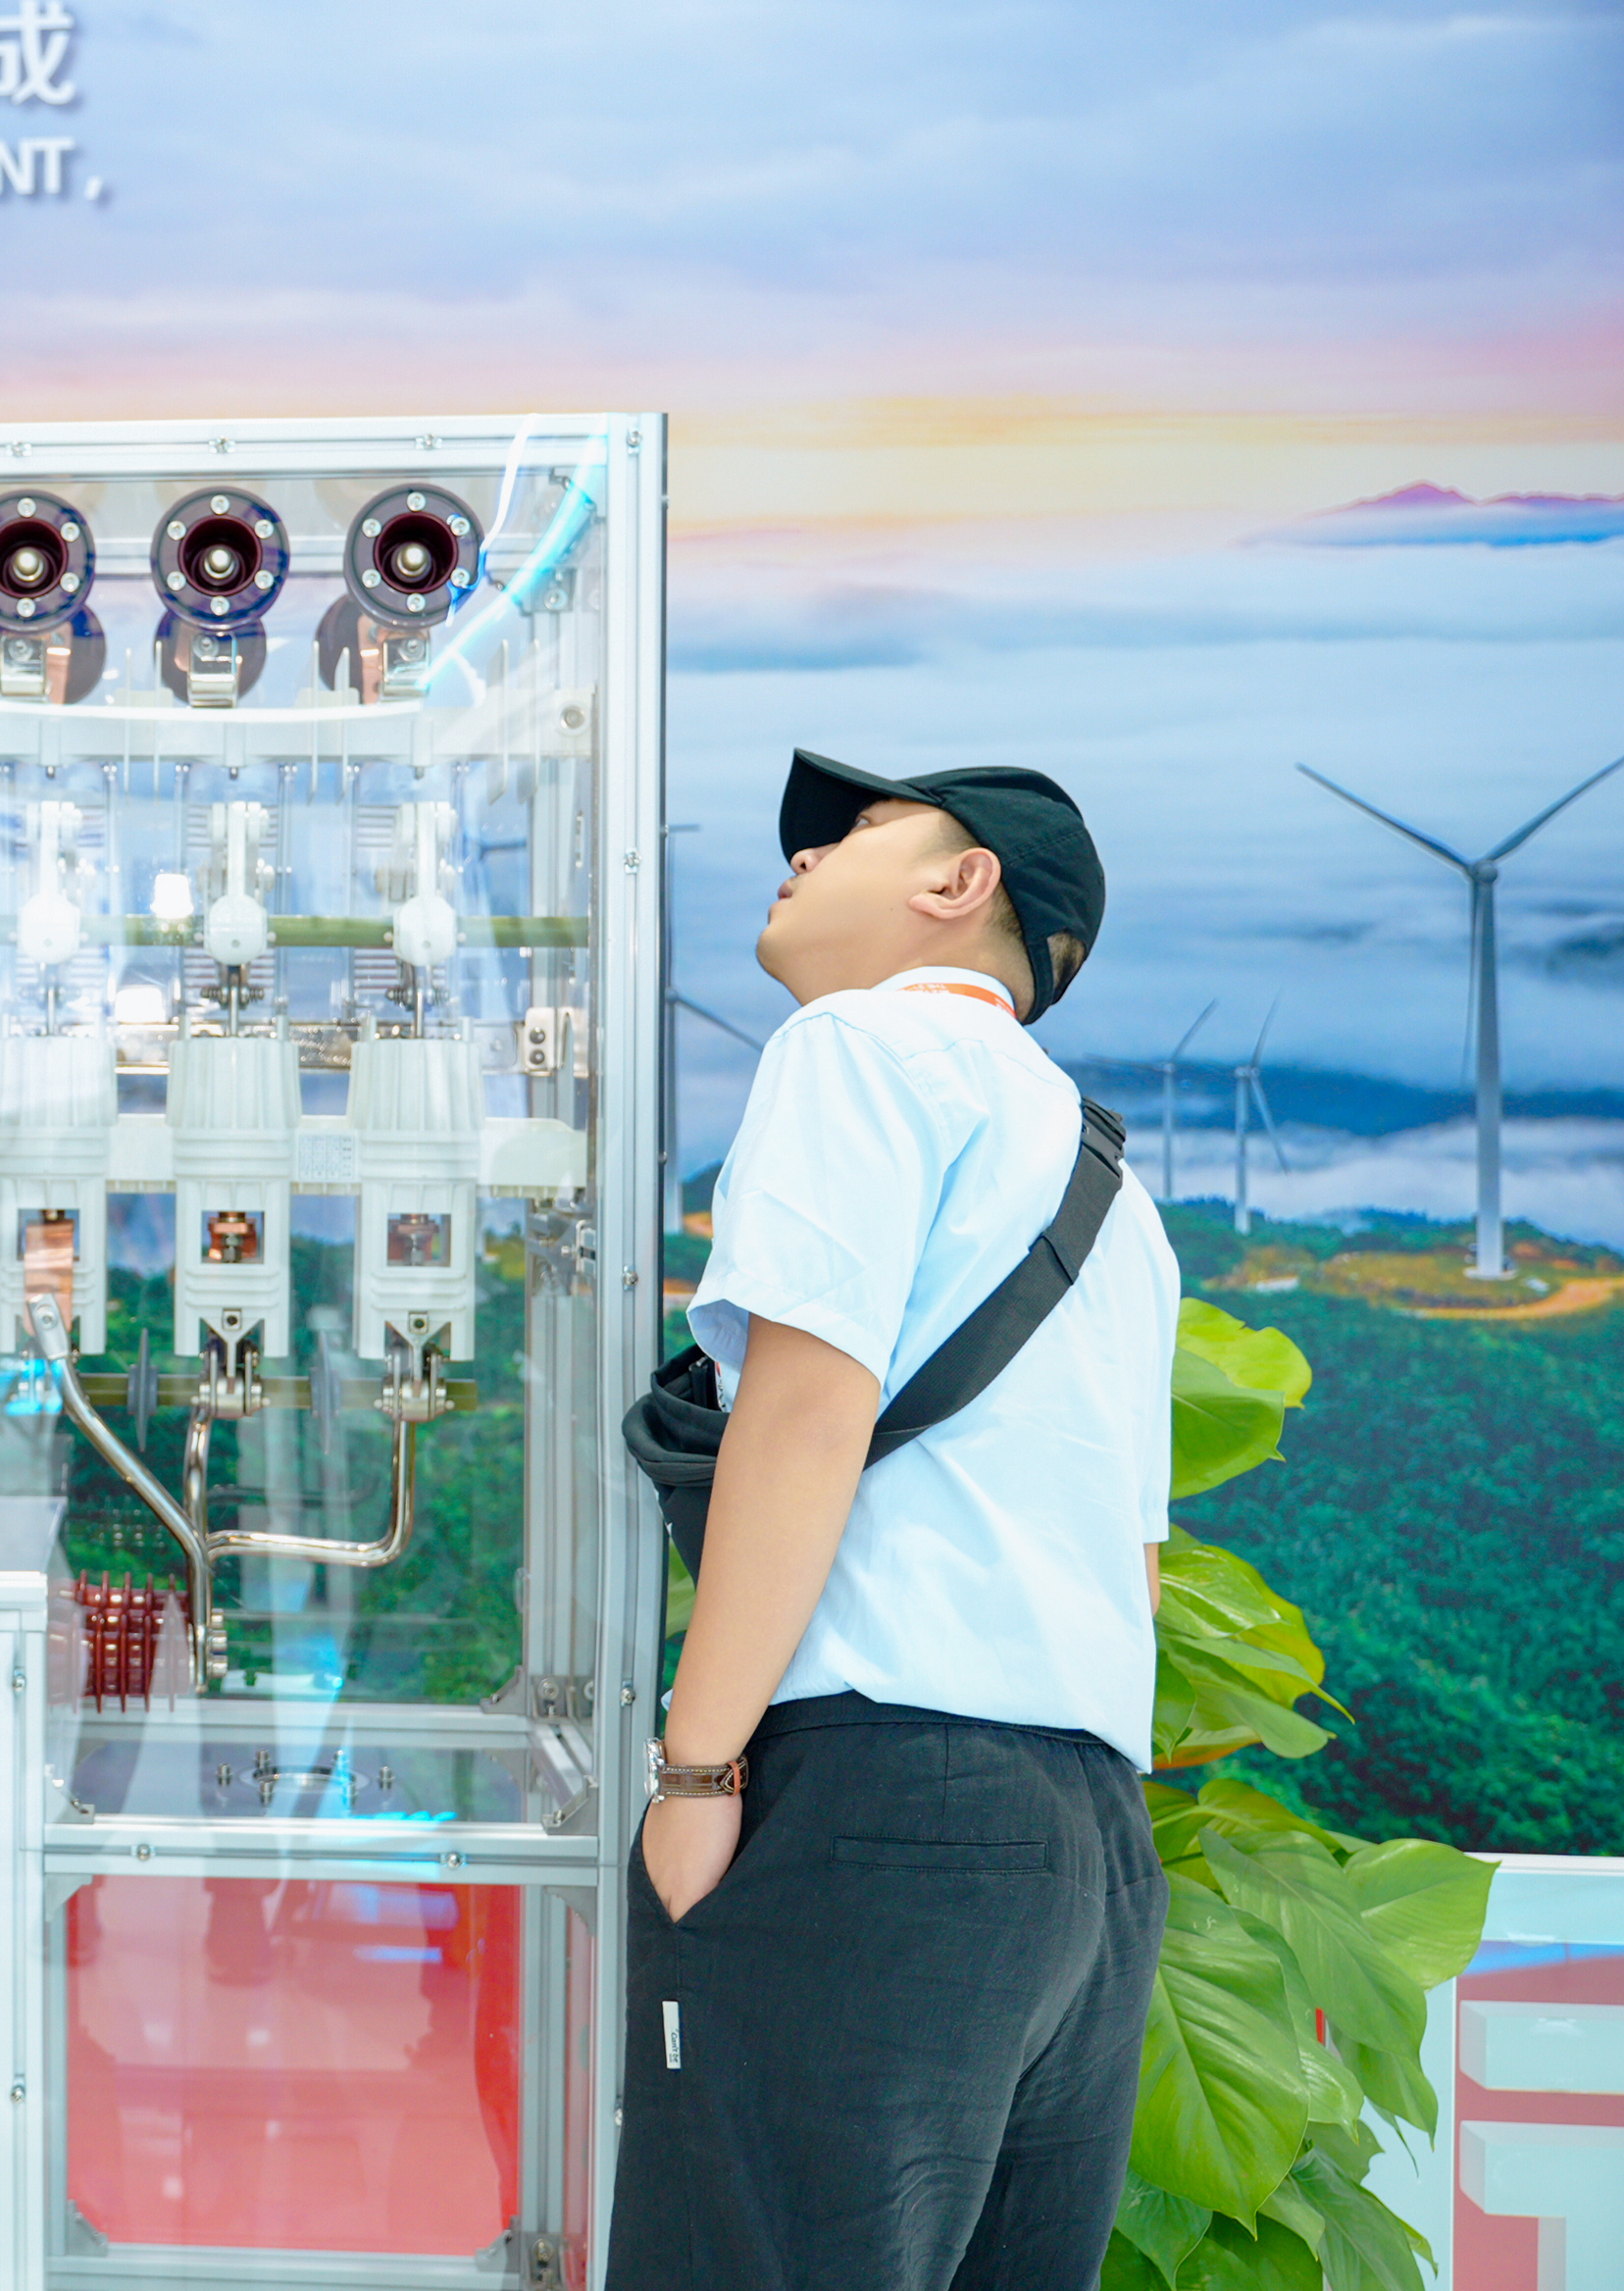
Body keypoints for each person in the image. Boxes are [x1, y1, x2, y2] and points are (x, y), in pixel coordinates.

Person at [607, 752, 1180, 2290]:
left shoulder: (856, 1046)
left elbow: (807, 1418)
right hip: (1089, 1849)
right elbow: (1133, 1568)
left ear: (958, 882)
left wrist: (696, 1771)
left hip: (880, 1813)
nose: (803, 855)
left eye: (858, 829)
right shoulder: (1113, 1191)